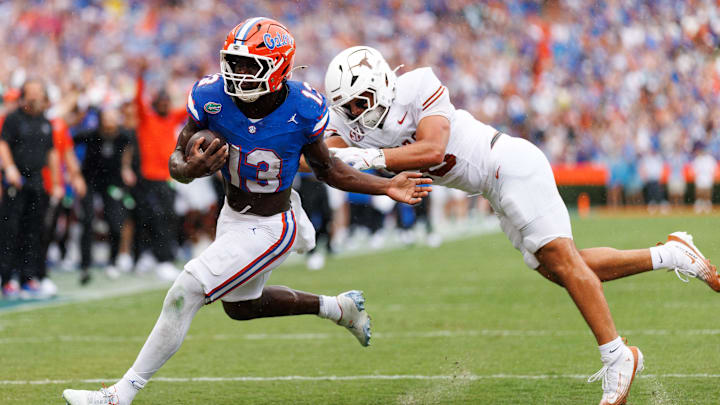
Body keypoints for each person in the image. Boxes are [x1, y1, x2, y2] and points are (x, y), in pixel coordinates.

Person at [319, 46, 719, 405]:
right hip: (493, 189)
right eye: (347, 107)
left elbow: (432, 148)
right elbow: (318, 160)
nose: (354, 113)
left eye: (359, 102)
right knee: (562, 268)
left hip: (508, 165)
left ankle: (617, 355)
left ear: (382, 84)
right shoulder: (350, 123)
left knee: (564, 262)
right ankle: (673, 254)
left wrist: (368, 160)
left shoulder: (418, 84)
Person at [61, 18, 431, 405]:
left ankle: (119, 394)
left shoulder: (303, 107)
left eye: (248, 64)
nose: (236, 73)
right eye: (232, 62)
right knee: (241, 308)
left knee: (185, 289)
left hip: (274, 224)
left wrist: (385, 185)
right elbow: (176, 157)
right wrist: (188, 170)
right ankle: (338, 308)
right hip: (233, 215)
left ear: (278, 67)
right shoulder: (210, 96)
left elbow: (328, 169)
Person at [0, 79, 64, 299]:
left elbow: (52, 153)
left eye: (39, 92)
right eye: (32, 93)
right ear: (24, 95)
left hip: (37, 181)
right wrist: (9, 168)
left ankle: (28, 278)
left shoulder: (45, 122)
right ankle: (7, 279)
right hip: (16, 181)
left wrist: (56, 183)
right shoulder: (13, 119)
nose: (36, 97)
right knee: (11, 230)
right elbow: (3, 143)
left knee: (33, 231)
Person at [73, 108, 134, 284]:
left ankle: (113, 262)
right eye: (106, 117)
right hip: (90, 182)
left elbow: (128, 150)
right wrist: (75, 174)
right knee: (87, 220)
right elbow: (68, 145)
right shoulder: (90, 134)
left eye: (113, 117)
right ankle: (85, 265)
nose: (110, 121)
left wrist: (126, 168)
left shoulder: (124, 136)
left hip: (112, 183)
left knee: (116, 223)